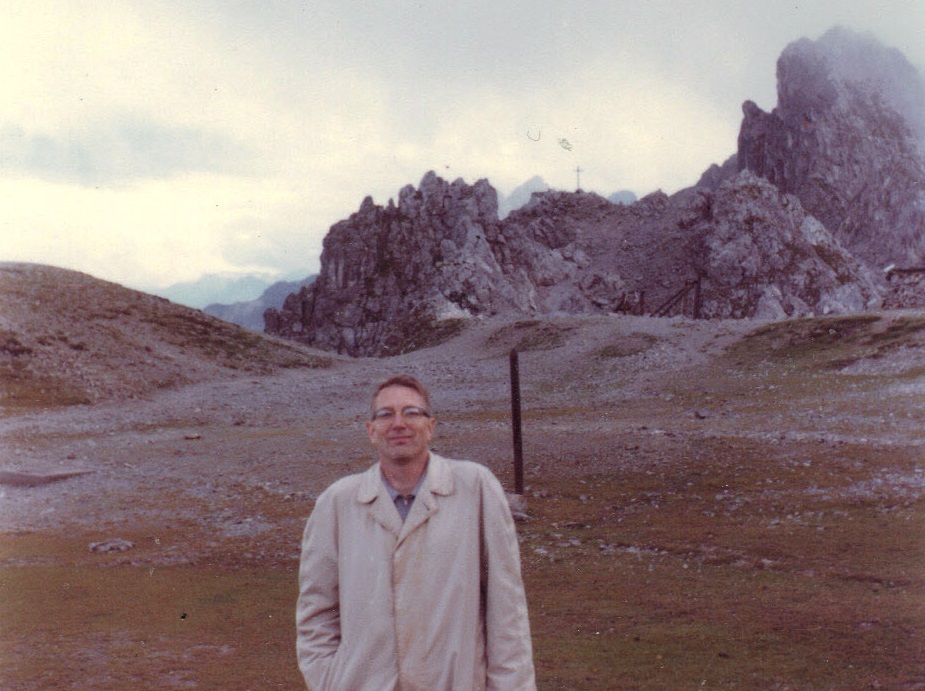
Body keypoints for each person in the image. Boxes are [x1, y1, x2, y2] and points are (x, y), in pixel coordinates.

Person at [296, 374, 537, 690]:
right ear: (371, 430)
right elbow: (316, 611)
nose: (399, 424)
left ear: (430, 426)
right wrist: (330, 681)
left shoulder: (475, 488)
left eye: (411, 412)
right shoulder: (337, 502)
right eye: (386, 414)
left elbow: (507, 611)